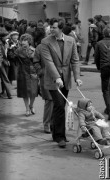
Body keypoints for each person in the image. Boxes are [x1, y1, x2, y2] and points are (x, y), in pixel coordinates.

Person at [41, 18, 82, 148]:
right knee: (59, 105)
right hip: (53, 79)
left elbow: (75, 60)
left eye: (54, 27)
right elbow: (48, 62)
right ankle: (60, 137)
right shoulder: (45, 42)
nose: (51, 29)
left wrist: (76, 77)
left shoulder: (71, 40)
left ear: (61, 28)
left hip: (66, 78)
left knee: (61, 105)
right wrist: (57, 77)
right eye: (51, 27)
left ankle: (55, 129)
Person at [14, 33, 38, 116]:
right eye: (22, 40)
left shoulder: (34, 50)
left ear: (29, 41)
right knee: (25, 92)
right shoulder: (17, 50)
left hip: (33, 72)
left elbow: (37, 62)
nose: (23, 42)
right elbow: (12, 58)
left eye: (25, 40)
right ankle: (27, 108)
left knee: (33, 91)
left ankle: (31, 106)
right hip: (22, 72)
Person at [33, 44, 53, 134]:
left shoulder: (60, 44)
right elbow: (35, 61)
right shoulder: (40, 47)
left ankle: (54, 123)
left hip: (58, 77)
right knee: (49, 100)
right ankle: (47, 123)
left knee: (58, 101)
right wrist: (40, 72)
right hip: (45, 76)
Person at [95, 27, 110, 118]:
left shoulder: (99, 43)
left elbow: (97, 57)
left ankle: (109, 109)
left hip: (104, 67)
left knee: (106, 90)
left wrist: (98, 67)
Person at [0, 32, 12, 99]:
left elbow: (6, 53)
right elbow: (1, 54)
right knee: (5, 78)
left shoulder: (6, 43)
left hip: (6, 62)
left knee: (4, 77)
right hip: (2, 62)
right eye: (6, 36)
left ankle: (2, 92)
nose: (7, 38)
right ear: (2, 37)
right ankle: (9, 94)